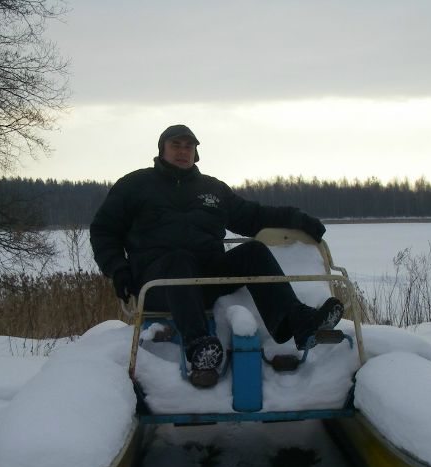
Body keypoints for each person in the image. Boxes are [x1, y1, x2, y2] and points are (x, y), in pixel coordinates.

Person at [90, 124, 343, 388]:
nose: (183, 151)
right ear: (162, 149)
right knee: (179, 259)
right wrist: (118, 270)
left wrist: (297, 218)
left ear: (196, 152)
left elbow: (253, 216)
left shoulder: (212, 189)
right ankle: (199, 345)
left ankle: (299, 323)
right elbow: (103, 231)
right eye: (176, 145)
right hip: (159, 283)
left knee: (254, 251)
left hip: (206, 279)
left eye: (189, 146)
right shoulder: (134, 185)